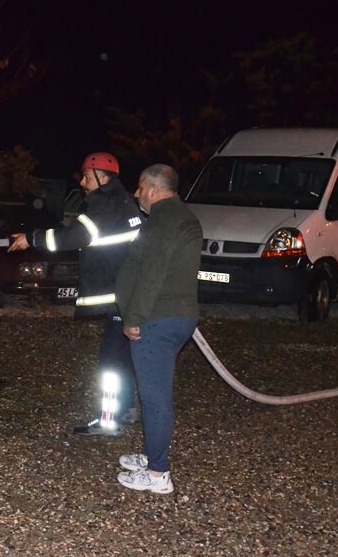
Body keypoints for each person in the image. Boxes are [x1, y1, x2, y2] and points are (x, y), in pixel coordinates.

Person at [9, 152, 143, 437]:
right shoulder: (124, 203)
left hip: (118, 295)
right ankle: (128, 409)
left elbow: (73, 238)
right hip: (127, 294)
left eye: (86, 176)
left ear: (103, 178)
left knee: (111, 364)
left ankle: (109, 420)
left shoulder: (105, 205)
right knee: (123, 357)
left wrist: (30, 238)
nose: (82, 182)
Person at [114, 163, 202, 495]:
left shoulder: (165, 220)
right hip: (173, 317)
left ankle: (157, 474)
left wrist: (134, 317)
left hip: (157, 318)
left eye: (139, 187)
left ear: (153, 188)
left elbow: (153, 273)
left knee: (154, 397)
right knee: (155, 392)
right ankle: (153, 455)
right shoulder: (181, 217)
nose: (136, 194)